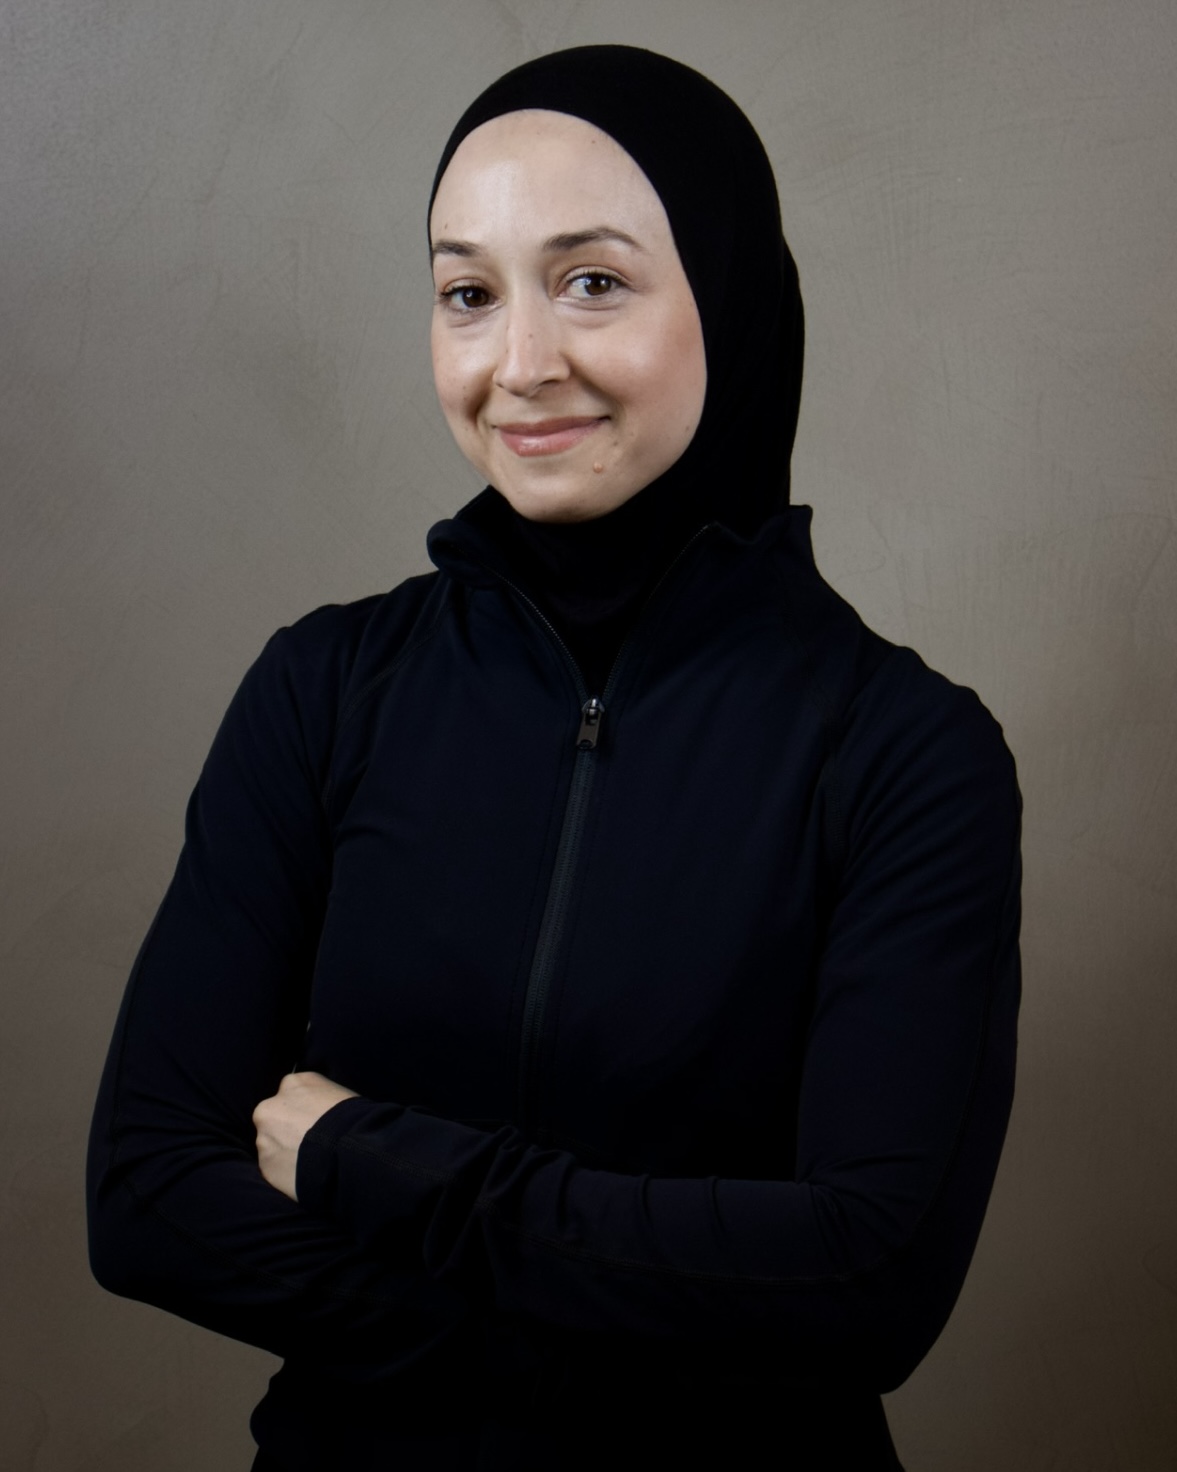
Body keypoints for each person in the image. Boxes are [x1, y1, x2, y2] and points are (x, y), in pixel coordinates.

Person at [86, 44, 1022, 1472]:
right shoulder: (323, 690)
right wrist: (623, 1339)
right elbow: (149, 1196)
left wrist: (370, 1163)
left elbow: (864, 1279)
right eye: (468, 294)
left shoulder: (907, 755)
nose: (520, 366)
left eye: (591, 282)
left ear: (731, 302)